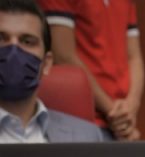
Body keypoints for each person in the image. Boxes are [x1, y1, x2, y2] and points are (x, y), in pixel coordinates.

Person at [38, 0, 144, 141]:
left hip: (122, 123)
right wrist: (114, 113)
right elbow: (62, 56)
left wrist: (130, 108)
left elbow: (134, 57)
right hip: (79, 121)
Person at [0, 0, 102, 142]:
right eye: (1, 39)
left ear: (47, 63)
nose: (13, 51)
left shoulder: (88, 136)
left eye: (27, 41)